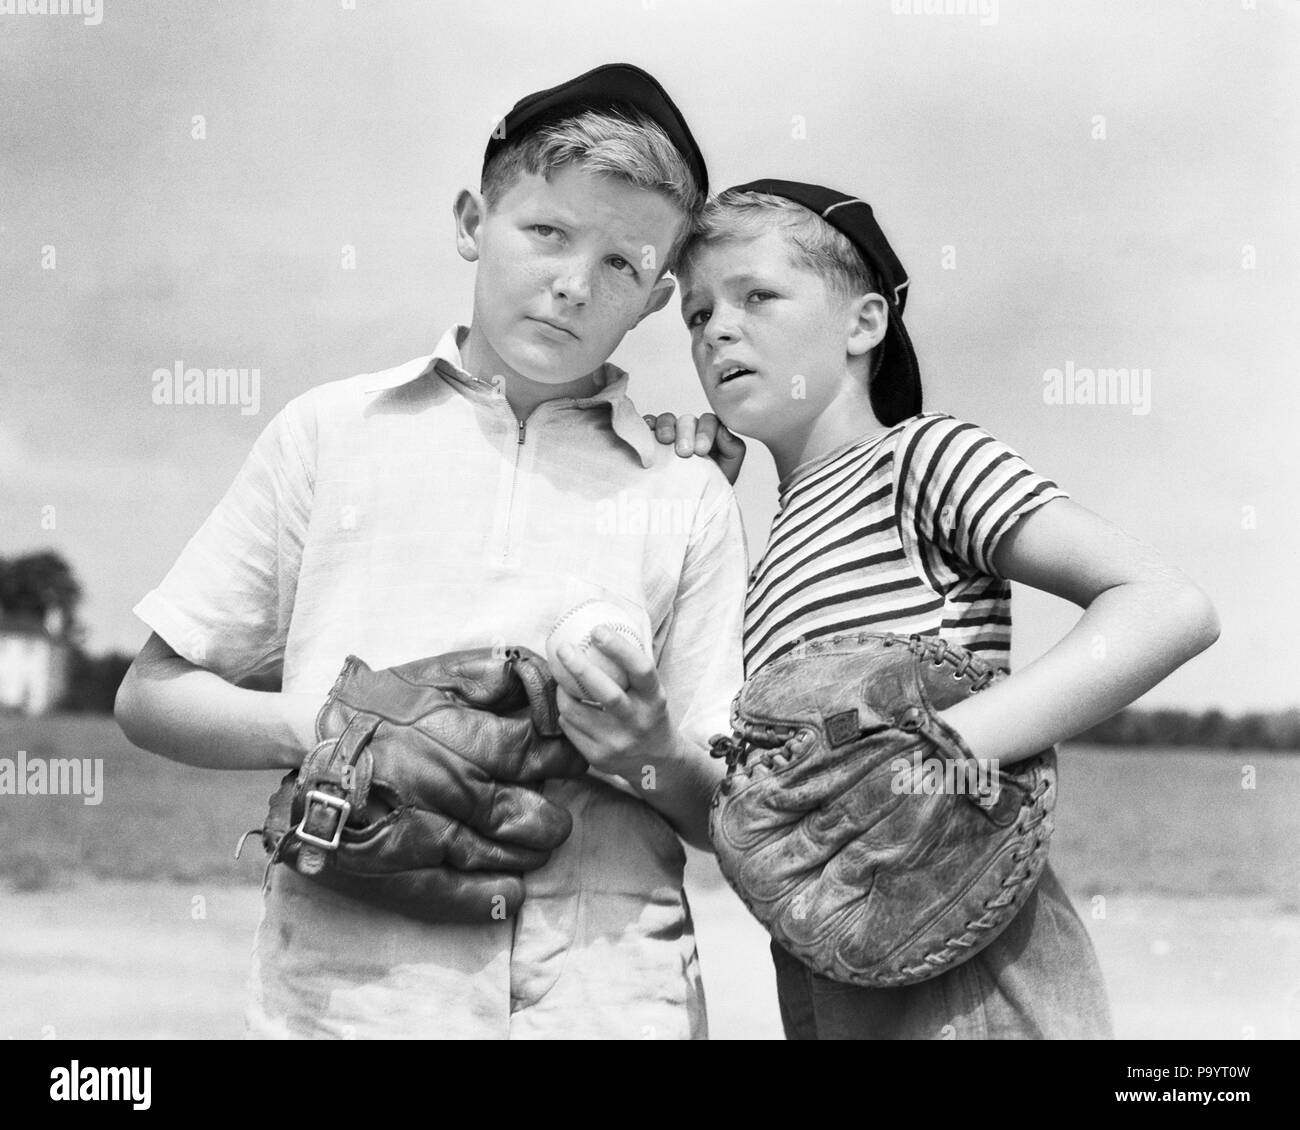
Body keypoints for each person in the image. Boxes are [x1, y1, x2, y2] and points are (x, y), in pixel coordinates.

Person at [114, 64, 747, 1040]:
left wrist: (651, 752)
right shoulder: (329, 432)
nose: (575, 282)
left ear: (658, 297)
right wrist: (329, 730)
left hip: (609, 995)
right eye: (545, 231)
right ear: (469, 222)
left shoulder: (685, 491)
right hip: (347, 988)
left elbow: (722, 813)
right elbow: (151, 698)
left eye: (622, 264)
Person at [649, 179, 1220, 1038]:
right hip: (827, 956)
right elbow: (752, 809)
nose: (718, 328)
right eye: (695, 315)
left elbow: (1167, 606)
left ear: (864, 324)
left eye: (757, 295)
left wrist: (949, 750)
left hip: (962, 932)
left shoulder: (919, 459)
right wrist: (680, 503)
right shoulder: (756, 551)